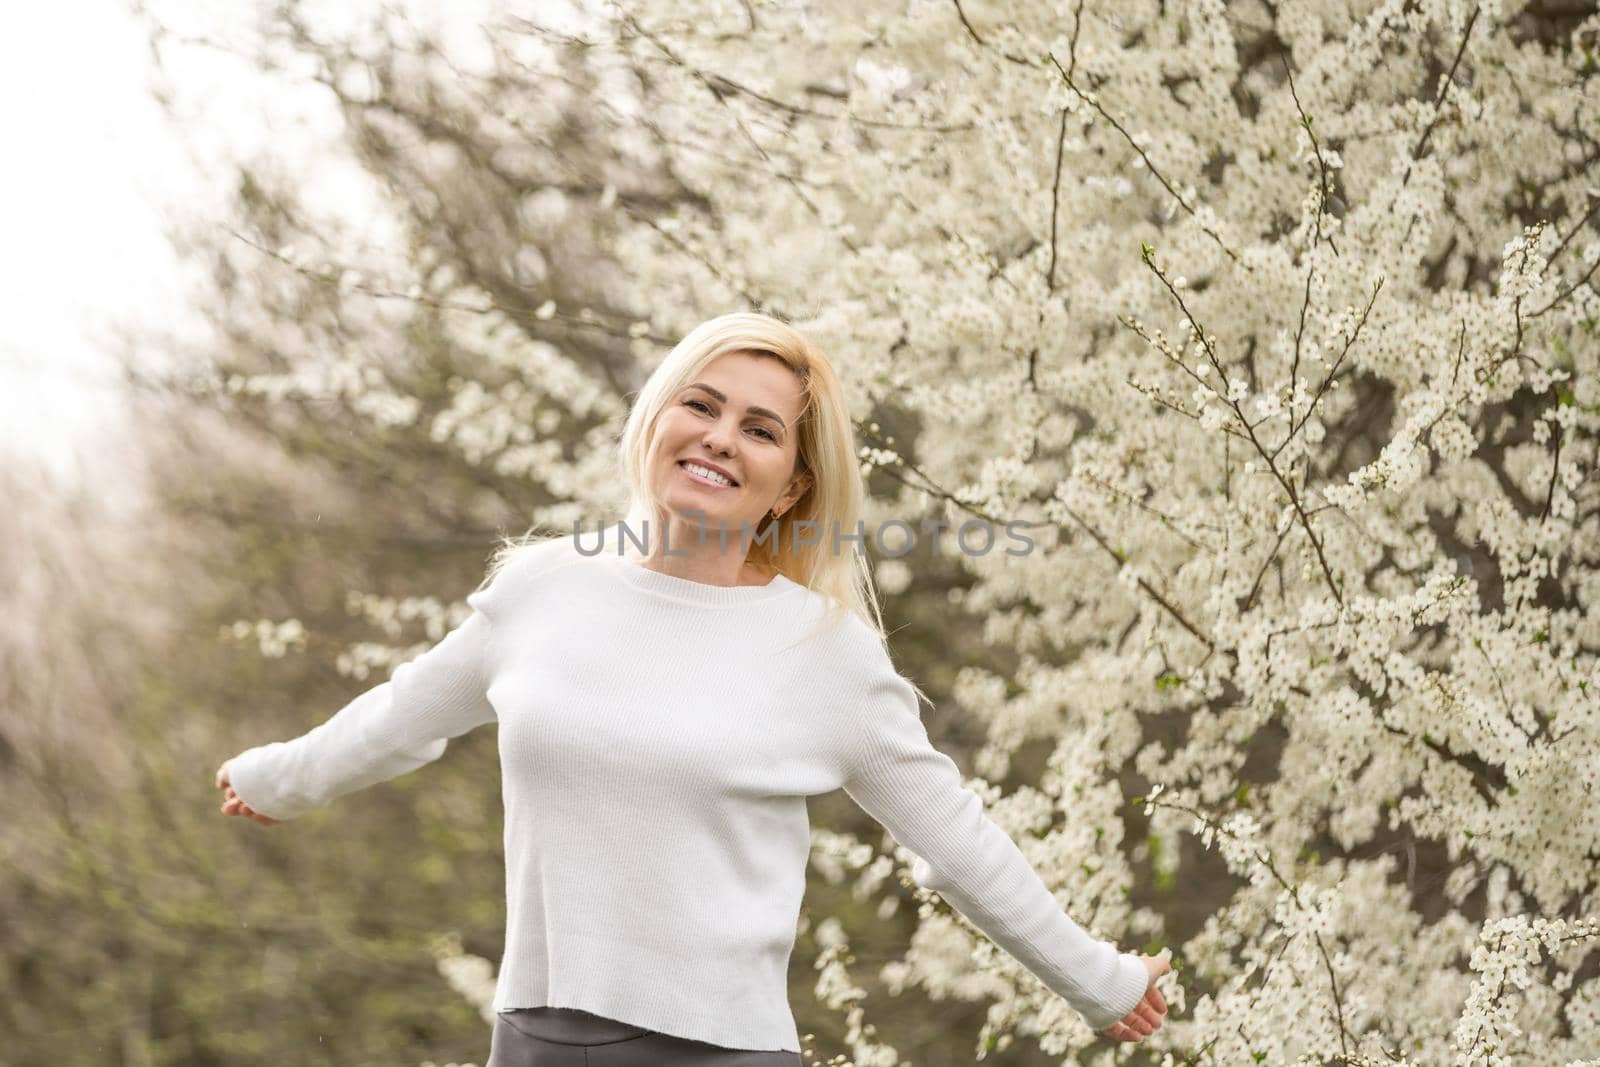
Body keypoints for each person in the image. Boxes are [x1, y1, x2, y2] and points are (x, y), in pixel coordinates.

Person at [216, 311, 1171, 1063]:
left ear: (790, 487)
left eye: (760, 430)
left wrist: (1099, 980)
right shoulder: (546, 589)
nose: (719, 438)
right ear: (659, 415)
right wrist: (279, 776)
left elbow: (956, 840)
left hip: (722, 1052)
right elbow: (403, 714)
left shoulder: (822, 653)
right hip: (535, 1038)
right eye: (701, 405)